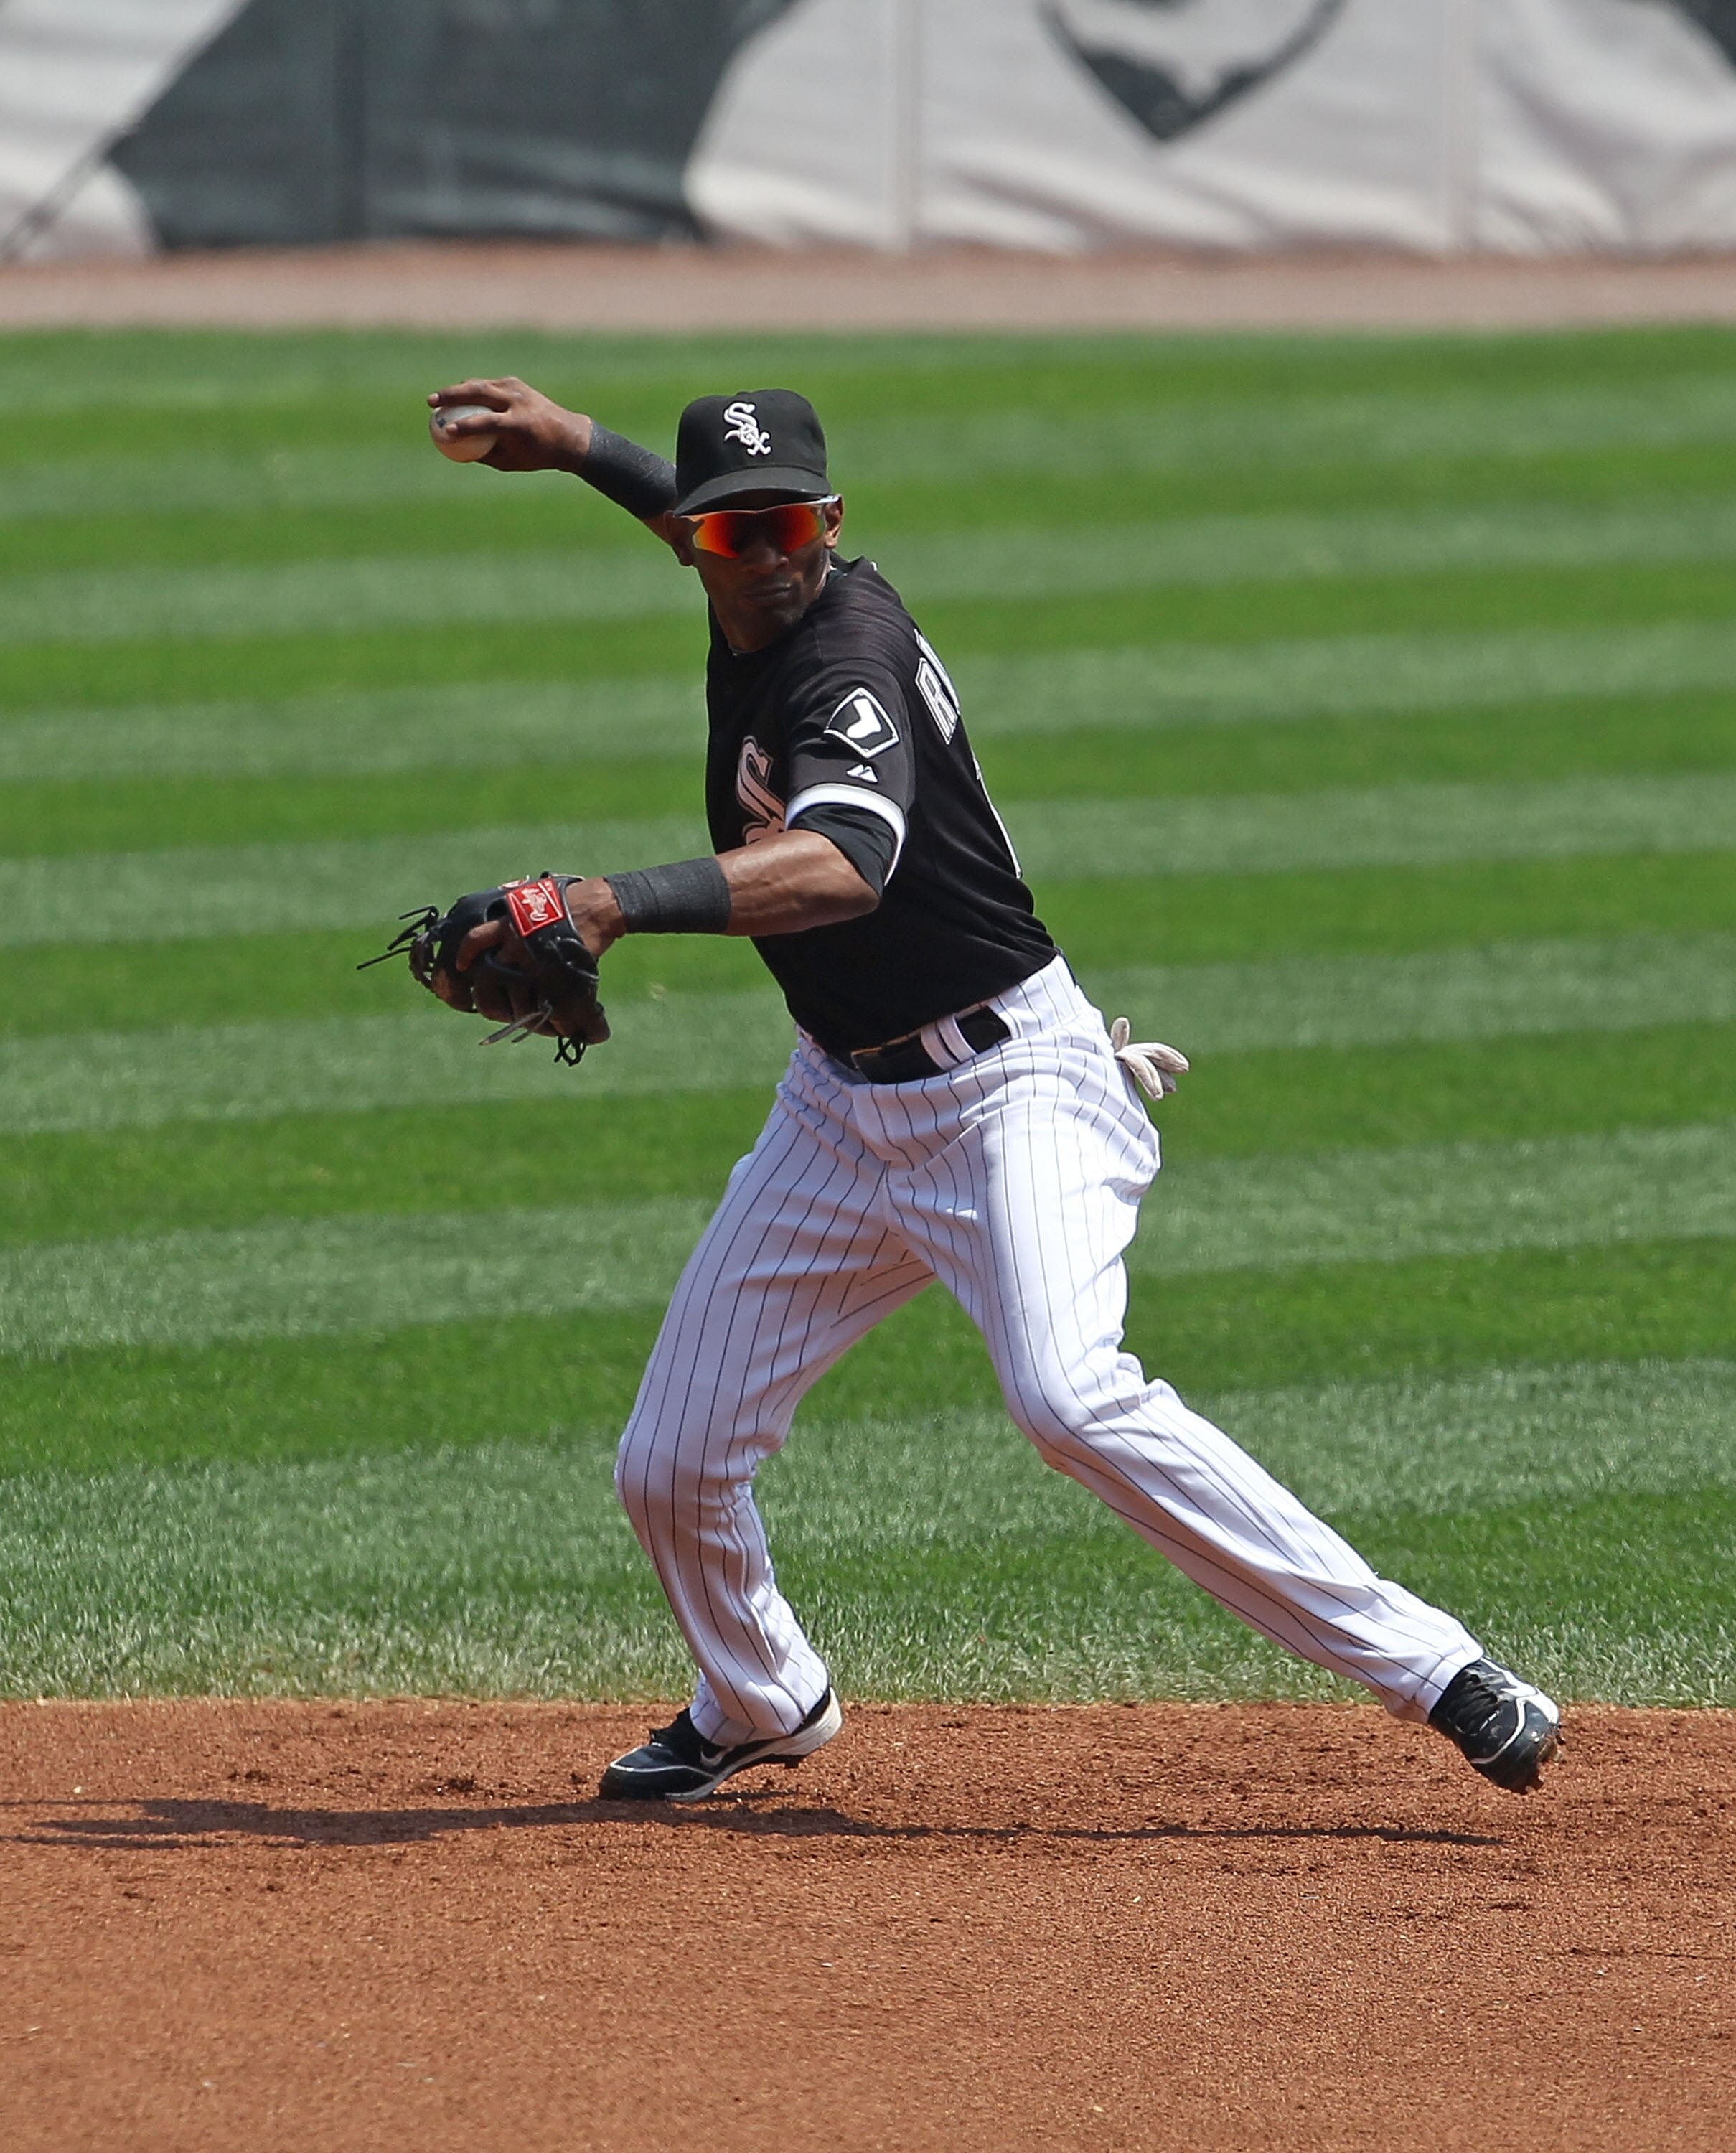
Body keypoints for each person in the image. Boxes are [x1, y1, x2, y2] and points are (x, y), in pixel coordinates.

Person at [426, 376, 1562, 1803]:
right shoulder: (744, 588)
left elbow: (849, 862)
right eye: (730, 537)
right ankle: (761, 1699)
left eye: (787, 527)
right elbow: (693, 519)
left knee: (1067, 1398)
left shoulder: (845, 657)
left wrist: (612, 900)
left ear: (831, 522)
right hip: (839, 1113)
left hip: (1009, 1088)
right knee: (668, 1463)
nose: (762, 555)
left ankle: (1445, 1674)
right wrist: (582, 447)